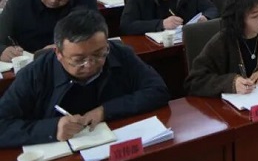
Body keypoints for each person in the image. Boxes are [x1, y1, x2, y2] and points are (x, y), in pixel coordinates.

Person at [0, 8, 170, 147]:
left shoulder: (120, 54)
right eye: (79, 59)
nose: (89, 65)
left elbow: (158, 90)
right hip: (61, 157)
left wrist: (105, 111)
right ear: (58, 53)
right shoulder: (35, 73)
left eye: (98, 54)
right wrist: (52, 129)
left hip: (115, 142)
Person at [0, 0, 97, 59]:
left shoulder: (85, 0)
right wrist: (2, 50)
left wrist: (64, 46)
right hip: (30, 60)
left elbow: (96, 33)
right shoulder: (17, 5)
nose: (54, 0)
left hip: (73, 57)